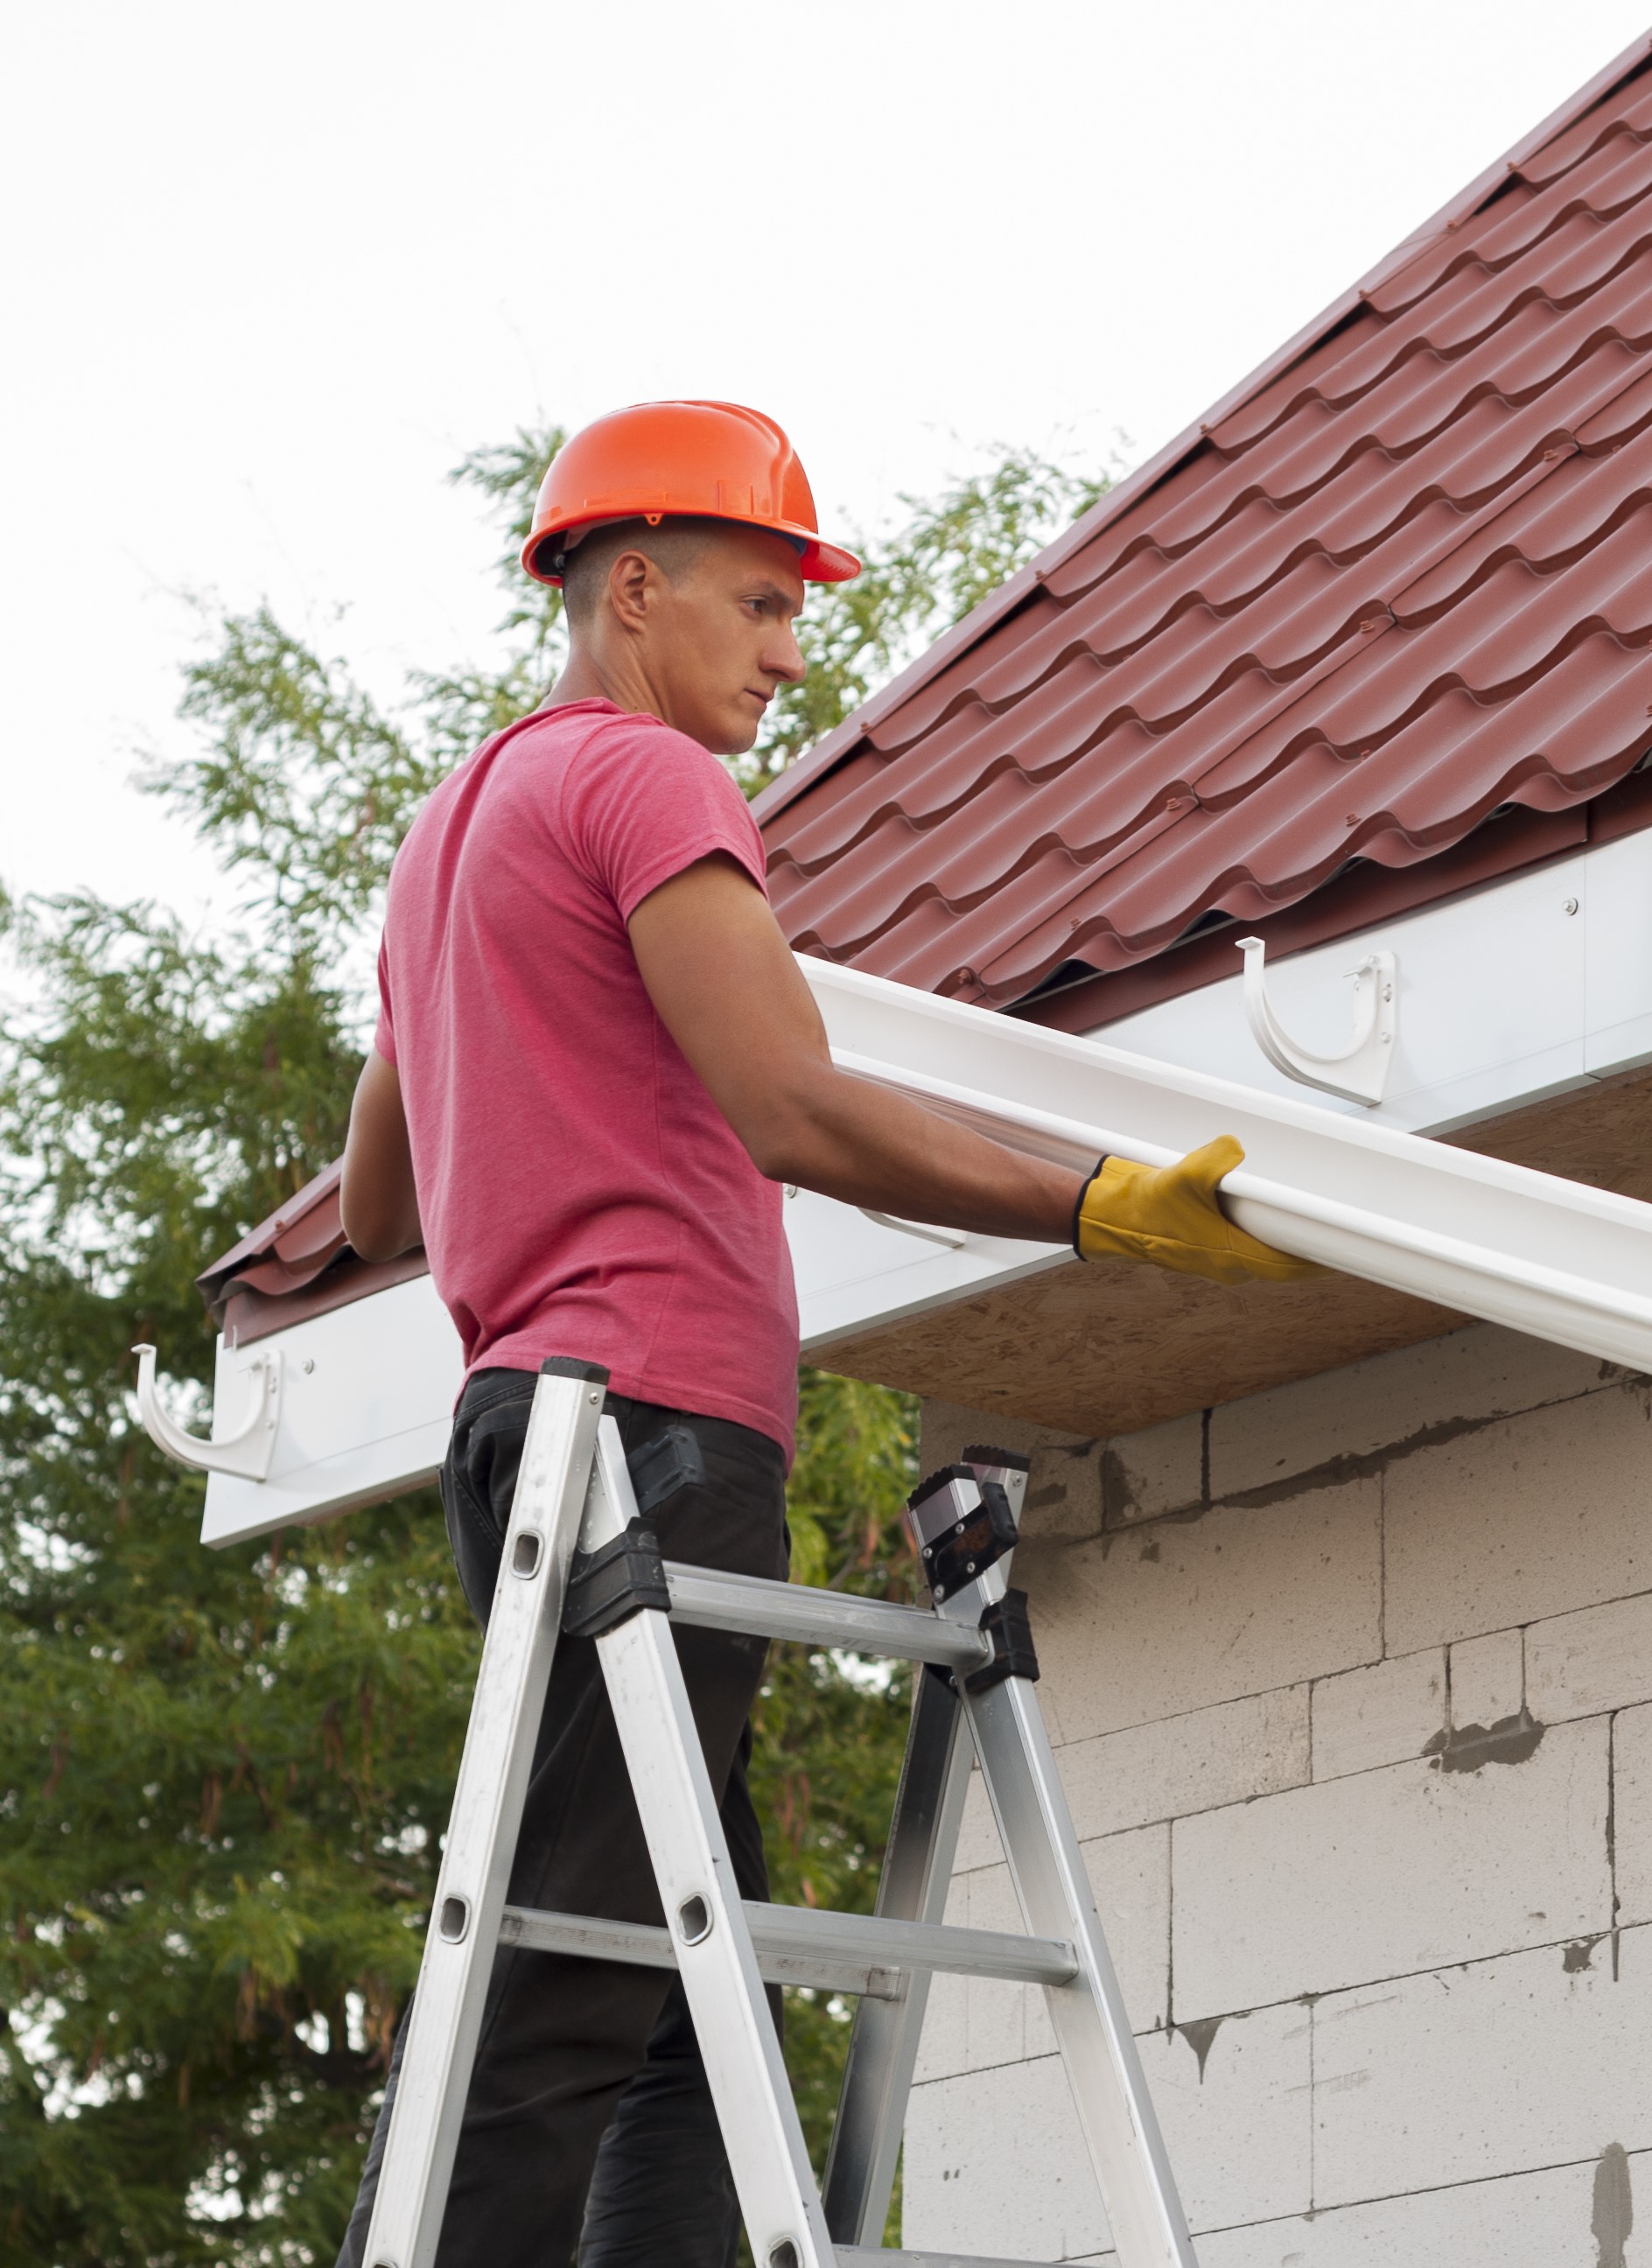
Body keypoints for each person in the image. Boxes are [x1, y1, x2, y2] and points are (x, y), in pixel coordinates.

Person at [333, 399, 1313, 2268]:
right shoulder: (638, 781)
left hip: (523, 1446)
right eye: (762, 602)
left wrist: (488, 1037)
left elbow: (379, 1210)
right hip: (648, 1440)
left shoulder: (445, 832)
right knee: (551, 2005)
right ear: (635, 587)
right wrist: (1091, 1199)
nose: (793, 651)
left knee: (672, 2024)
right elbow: (791, 1103)